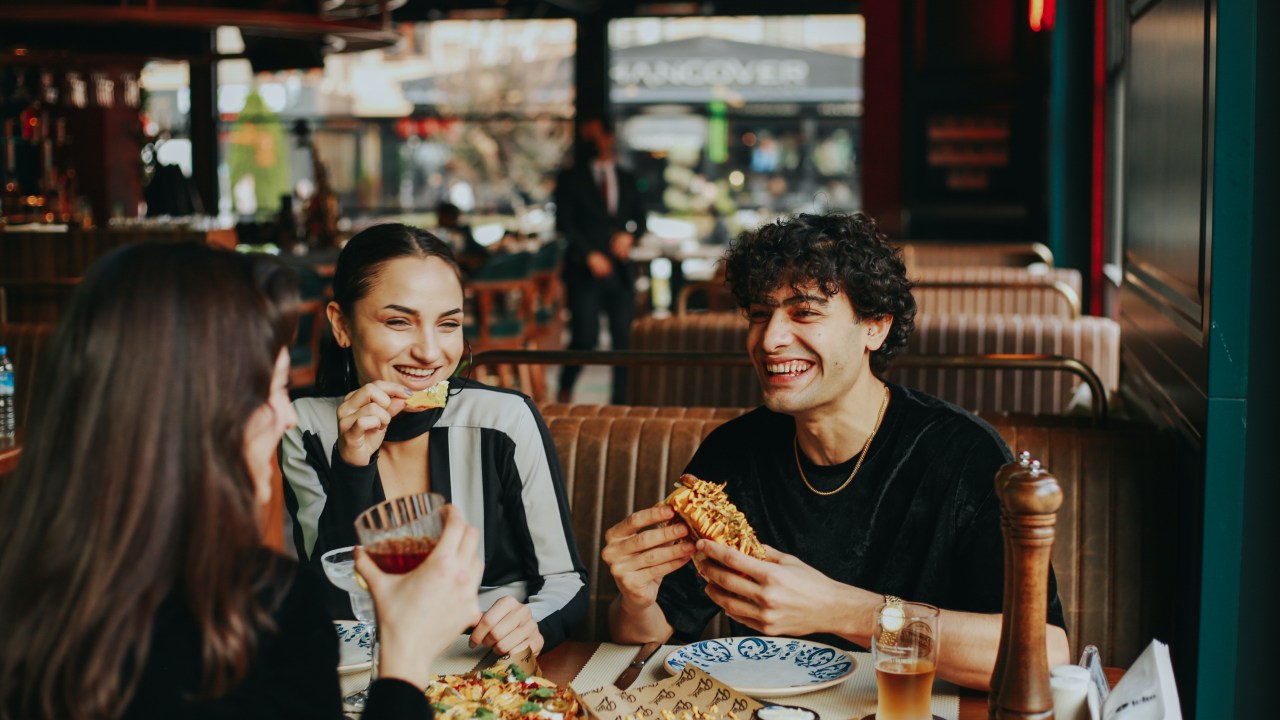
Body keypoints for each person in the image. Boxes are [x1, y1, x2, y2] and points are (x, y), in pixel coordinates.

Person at [0, 243, 483, 719]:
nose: (284, 420)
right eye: (271, 392)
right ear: (192, 411)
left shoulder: (25, 582)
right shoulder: (265, 616)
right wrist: (404, 660)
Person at [600, 212, 1070, 690]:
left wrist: (844, 611)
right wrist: (636, 599)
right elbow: (652, 635)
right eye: (760, 314)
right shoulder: (733, 455)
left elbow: (1046, 652)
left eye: (804, 312)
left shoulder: (963, 455)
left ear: (876, 327)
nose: (769, 339)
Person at [281, 223, 587, 656]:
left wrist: (529, 624)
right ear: (341, 325)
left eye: (448, 324)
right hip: (372, 672)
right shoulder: (306, 430)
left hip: (488, 668)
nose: (429, 351)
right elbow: (335, 605)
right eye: (398, 321)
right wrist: (352, 466)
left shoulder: (504, 419)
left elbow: (564, 581)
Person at [553, 116, 646, 404]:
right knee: (584, 338)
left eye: (595, 137)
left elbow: (640, 220)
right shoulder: (570, 178)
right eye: (585, 138)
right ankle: (565, 390)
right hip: (584, 271)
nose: (591, 144)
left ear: (608, 137)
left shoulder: (627, 177)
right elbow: (564, 223)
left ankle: (621, 401)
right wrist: (589, 253)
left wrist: (629, 236)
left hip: (620, 272)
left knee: (623, 341)